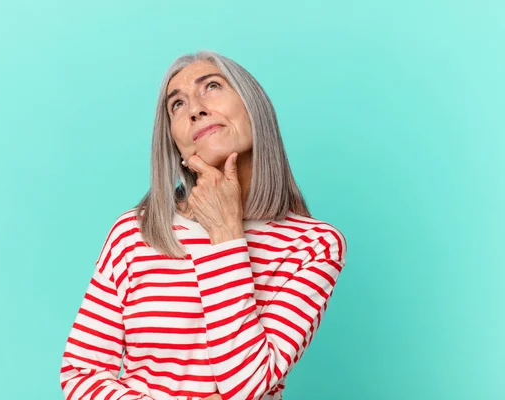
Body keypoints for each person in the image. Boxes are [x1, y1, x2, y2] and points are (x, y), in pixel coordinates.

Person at [59, 50, 348, 400]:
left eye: (211, 86)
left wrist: (226, 235)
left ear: (254, 108)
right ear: (175, 141)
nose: (194, 108)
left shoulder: (314, 246)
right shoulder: (135, 232)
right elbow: (81, 374)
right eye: (176, 105)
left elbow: (245, 386)